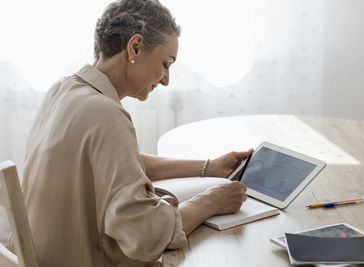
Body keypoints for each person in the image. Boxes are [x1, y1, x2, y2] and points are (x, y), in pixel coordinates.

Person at [18, 0, 251, 266]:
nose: (166, 79)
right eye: (166, 63)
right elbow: (146, 234)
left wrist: (210, 168)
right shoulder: (106, 114)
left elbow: (120, 164)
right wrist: (210, 201)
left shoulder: (63, 90)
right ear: (135, 46)